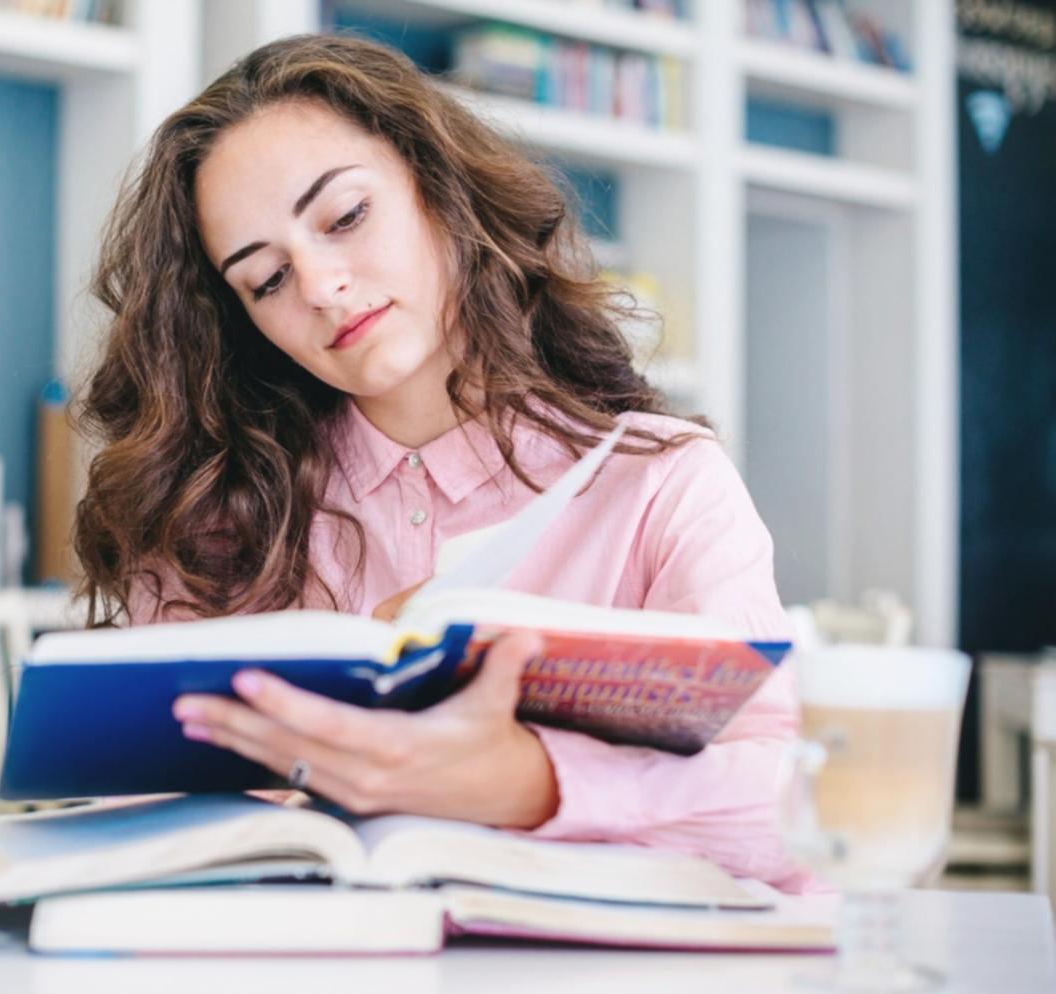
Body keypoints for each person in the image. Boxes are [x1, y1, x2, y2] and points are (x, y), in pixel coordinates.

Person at [71, 34, 809, 891]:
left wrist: (528, 783)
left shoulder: (662, 482)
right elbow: (142, 819)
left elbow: (796, 809)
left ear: (440, 189)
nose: (318, 287)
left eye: (345, 218)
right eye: (265, 279)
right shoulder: (209, 516)